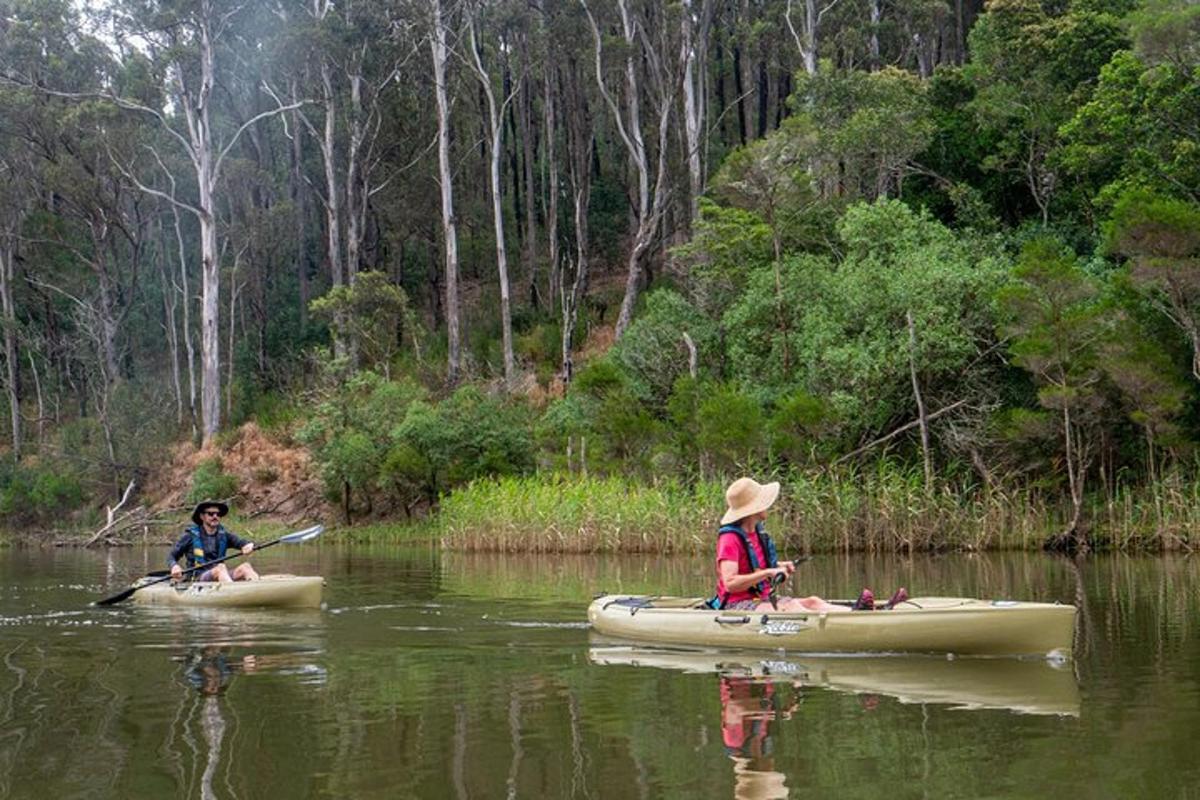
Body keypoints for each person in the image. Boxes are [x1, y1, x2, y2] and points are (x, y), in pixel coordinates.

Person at [712, 477, 906, 613]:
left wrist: (779, 566)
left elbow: (755, 566)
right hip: (737, 606)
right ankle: (859, 616)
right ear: (752, 509)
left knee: (813, 601)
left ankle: (870, 612)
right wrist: (767, 573)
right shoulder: (729, 539)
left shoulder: (755, 532)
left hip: (758, 600)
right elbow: (730, 584)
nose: (767, 505)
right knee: (793, 608)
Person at [168, 500, 259, 583]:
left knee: (246, 567)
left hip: (220, 574)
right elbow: (172, 556)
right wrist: (174, 566)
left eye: (218, 514)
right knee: (220, 568)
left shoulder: (224, 535)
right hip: (197, 579)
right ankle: (230, 594)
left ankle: (257, 590)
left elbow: (243, 543)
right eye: (211, 514)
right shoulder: (189, 536)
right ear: (202, 517)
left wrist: (248, 545)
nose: (215, 516)